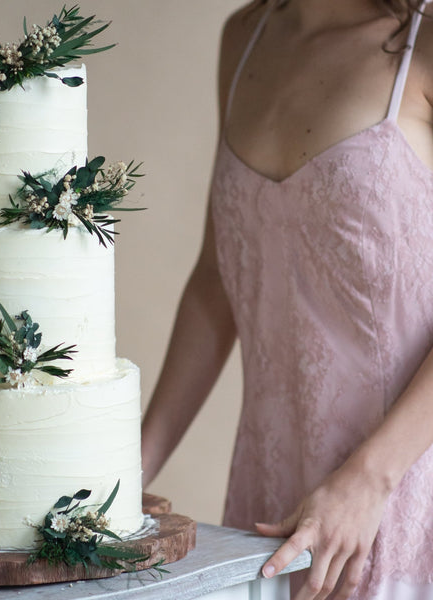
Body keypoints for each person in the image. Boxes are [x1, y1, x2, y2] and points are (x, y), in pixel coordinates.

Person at [140, 0, 433, 598]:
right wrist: (126, 472)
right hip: (272, 511)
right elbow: (217, 280)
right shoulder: (245, 36)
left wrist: (368, 482)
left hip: (403, 496)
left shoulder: (425, 43)